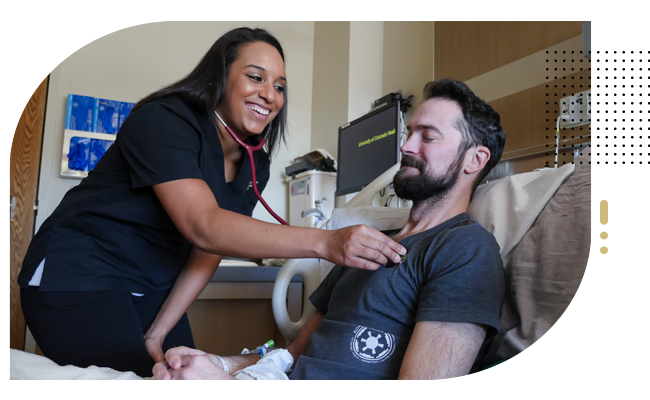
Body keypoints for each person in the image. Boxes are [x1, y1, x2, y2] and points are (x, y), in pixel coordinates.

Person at [17, 27, 406, 378]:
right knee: (143, 379)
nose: (269, 95)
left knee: (187, 371)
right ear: (220, 78)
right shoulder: (164, 120)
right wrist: (327, 241)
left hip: (148, 284)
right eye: (256, 77)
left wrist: (159, 329)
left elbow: (209, 248)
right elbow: (203, 225)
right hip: (78, 270)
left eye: (280, 86)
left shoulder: (255, 160)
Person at [153, 77, 507, 380]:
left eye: (427, 137)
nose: (406, 146)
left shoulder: (465, 250)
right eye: (409, 132)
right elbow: (292, 354)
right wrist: (221, 365)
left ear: (475, 160)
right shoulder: (364, 245)